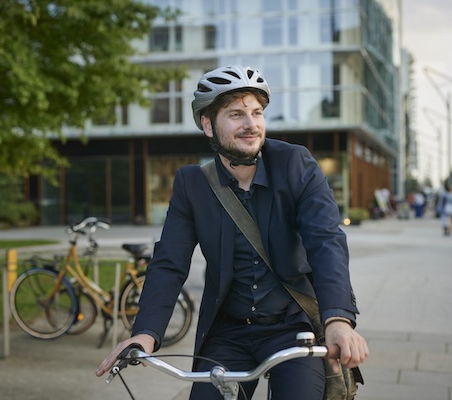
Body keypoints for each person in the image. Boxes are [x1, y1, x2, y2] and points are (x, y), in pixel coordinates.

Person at [96, 65, 368, 399]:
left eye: (256, 113)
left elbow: (325, 241)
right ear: (208, 125)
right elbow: (169, 262)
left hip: (293, 329)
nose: (251, 124)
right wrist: (146, 333)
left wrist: (337, 319)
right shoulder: (191, 184)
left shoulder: (296, 165)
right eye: (236, 114)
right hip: (227, 332)